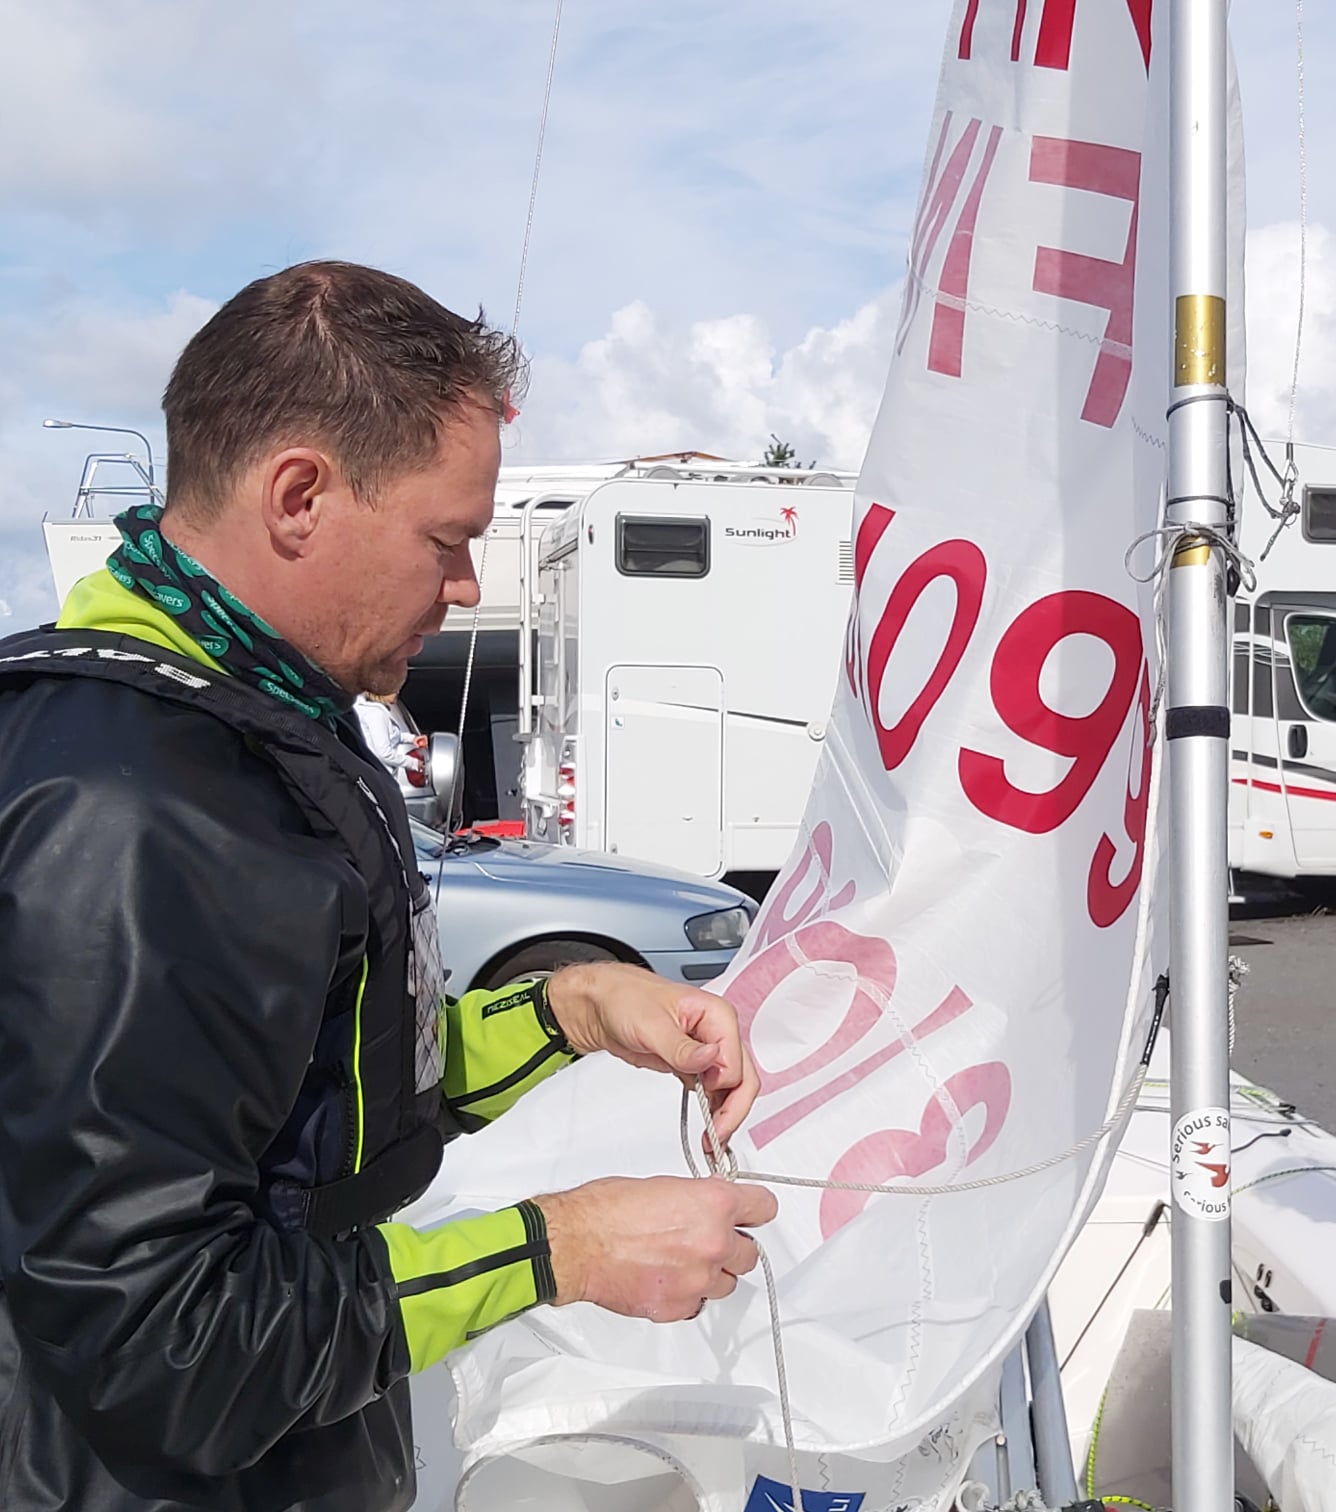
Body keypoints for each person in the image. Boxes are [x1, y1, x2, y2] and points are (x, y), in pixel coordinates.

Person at [0, 261, 777, 1512]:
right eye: (447, 540)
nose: (465, 588)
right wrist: (564, 1248)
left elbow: (328, 1107)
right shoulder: (131, 809)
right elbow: (161, 1344)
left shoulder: (258, 729)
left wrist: (572, 1009)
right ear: (299, 495)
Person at [354, 690, 424, 784]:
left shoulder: (374, 710)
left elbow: (391, 735)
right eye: (393, 689)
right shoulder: (376, 714)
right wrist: (413, 763)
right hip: (381, 777)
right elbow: (384, 753)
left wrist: (411, 739)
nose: (398, 692)